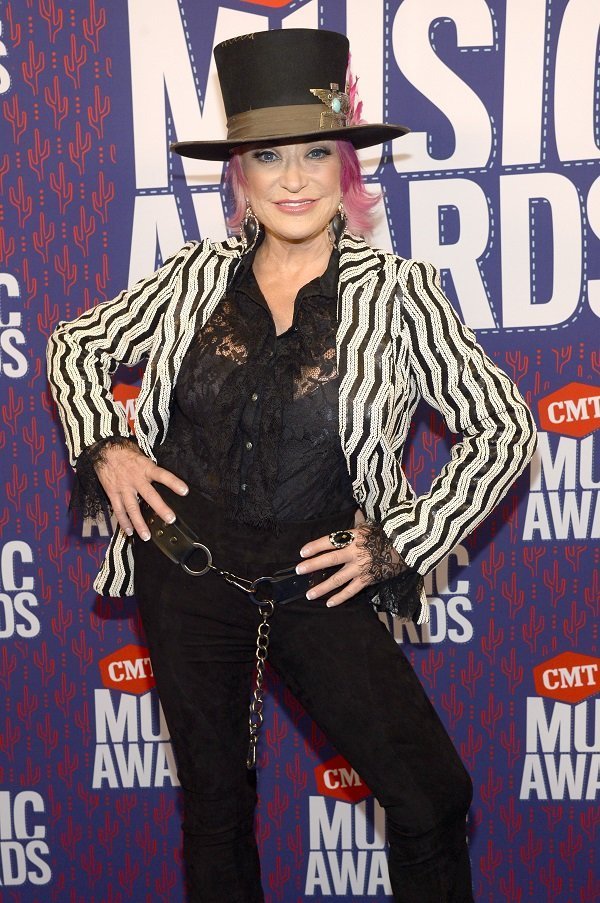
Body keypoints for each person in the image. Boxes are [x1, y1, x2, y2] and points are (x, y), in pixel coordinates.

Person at [47, 28, 536, 903]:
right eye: (269, 155)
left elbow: (505, 426)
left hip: (319, 585)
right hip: (187, 575)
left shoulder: (401, 294)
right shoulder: (189, 279)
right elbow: (73, 347)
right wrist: (107, 445)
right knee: (217, 810)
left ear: (345, 162)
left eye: (318, 150)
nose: (297, 177)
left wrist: (402, 540)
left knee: (430, 794)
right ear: (239, 172)